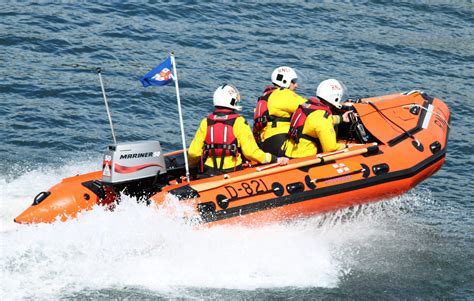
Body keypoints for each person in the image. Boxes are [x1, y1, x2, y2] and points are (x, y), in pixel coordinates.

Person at [188, 84, 289, 176]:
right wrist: (275, 159)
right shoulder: (239, 122)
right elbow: (251, 152)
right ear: (233, 101)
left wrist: (192, 167)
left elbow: (193, 153)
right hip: (232, 170)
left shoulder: (205, 122)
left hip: (209, 170)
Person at [284, 79, 352, 158]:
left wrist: (341, 118)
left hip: (289, 150)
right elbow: (330, 148)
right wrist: (347, 146)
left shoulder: (308, 106)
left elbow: (322, 121)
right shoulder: (322, 119)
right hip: (304, 157)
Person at [253, 66, 307, 156]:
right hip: (279, 141)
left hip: (264, 143)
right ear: (285, 82)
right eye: (293, 82)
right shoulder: (283, 94)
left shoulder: (266, 95)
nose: (296, 85)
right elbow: (310, 108)